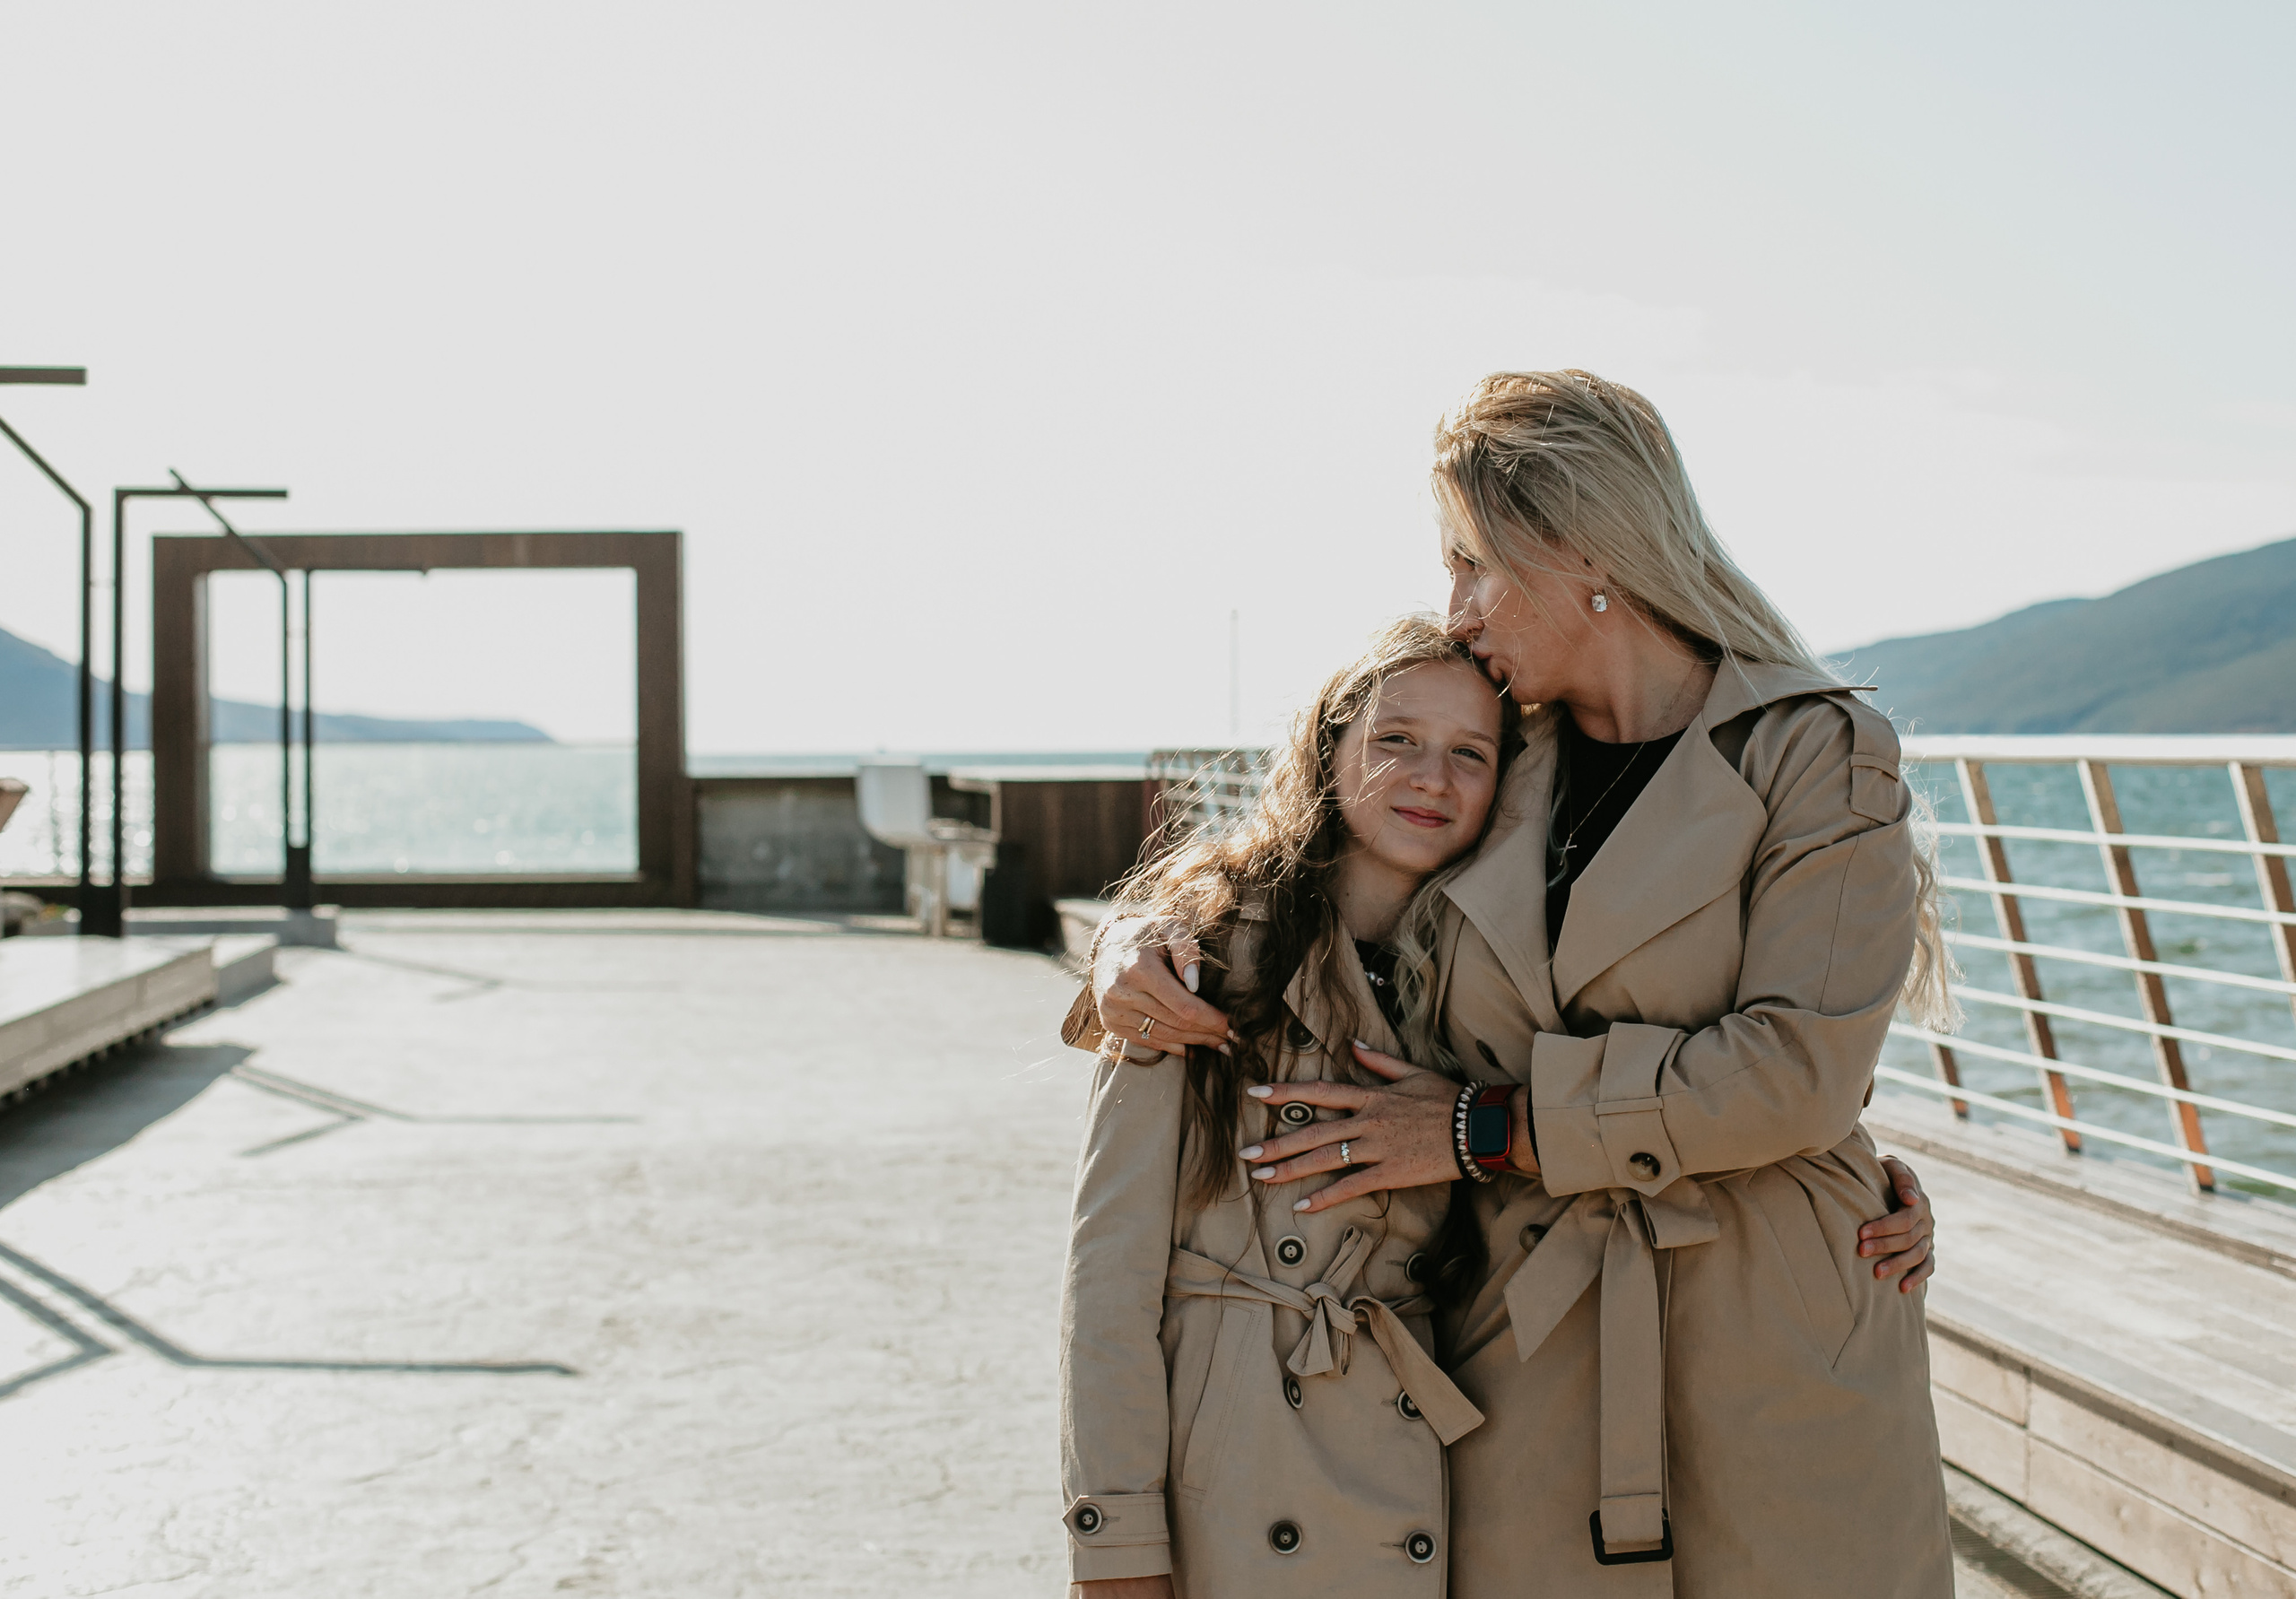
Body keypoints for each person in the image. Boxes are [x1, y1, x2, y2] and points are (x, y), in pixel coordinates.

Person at [1091, 369, 1952, 1596]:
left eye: (1471, 564)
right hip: (1523, 1351)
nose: (1455, 609)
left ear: (1575, 548)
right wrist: (1132, 938)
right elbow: (1309, 874)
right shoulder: (1491, 754)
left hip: (1773, 1332)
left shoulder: (1814, 750)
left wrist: (1481, 1124)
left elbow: (1800, 1073)